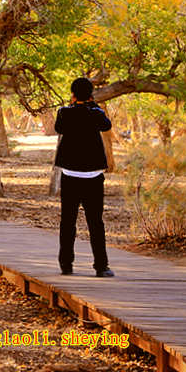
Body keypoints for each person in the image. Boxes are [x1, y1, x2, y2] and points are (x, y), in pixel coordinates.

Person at [55, 77, 114, 277]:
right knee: (95, 222)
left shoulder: (64, 113)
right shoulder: (96, 113)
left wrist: (75, 104)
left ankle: (66, 264)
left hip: (70, 175)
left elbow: (59, 128)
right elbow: (107, 125)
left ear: (73, 94)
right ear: (90, 95)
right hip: (93, 176)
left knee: (67, 221)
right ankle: (101, 266)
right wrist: (92, 103)